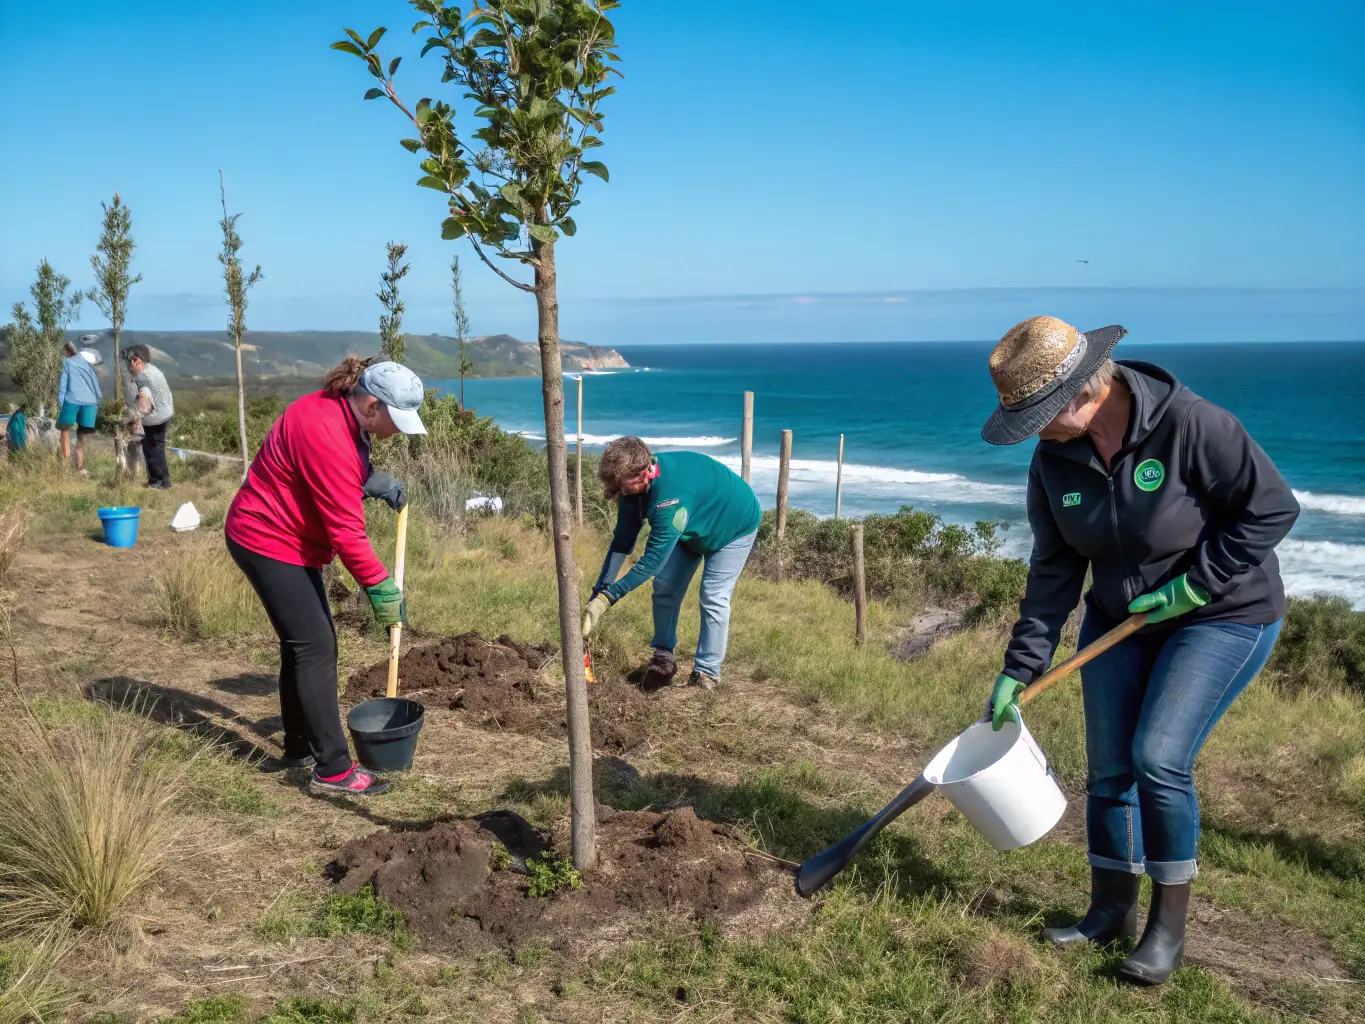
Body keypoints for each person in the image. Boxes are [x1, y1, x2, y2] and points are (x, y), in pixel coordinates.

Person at [981, 316, 1299, 985]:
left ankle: (1164, 933)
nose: (1030, 434)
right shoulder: (1054, 458)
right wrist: (1020, 665)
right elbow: (1055, 568)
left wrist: (1197, 585)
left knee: (1158, 759)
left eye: (1035, 416)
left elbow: (1271, 509)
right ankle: (1108, 913)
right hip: (1117, 620)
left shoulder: (1192, 423)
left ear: (1079, 397)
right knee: (1109, 769)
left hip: (1220, 617)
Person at [224, 357, 424, 796]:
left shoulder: (335, 410)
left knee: (302, 646)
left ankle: (298, 746)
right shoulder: (327, 432)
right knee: (315, 648)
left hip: (282, 539)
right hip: (267, 539)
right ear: (371, 406)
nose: (399, 431)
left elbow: (337, 471)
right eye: (397, 420)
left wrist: (370, 477)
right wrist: (380, 586)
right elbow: (347, 533)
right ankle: (333, 769)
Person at [581, 438, 761, 690]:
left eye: (622, 483)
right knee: (665, 585)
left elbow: (653, 560)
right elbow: (622, 542)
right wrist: (600, 589)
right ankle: (664, 657)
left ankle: (706, 673)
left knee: (714, 595)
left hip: (733, 526)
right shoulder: (631, 490)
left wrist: (608, 599)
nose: (617, 489)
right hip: (692, 524)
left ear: (644, 473)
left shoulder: (671, 499)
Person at [125, 345, 174, 489]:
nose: (128, 366)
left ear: (137, 361)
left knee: (152, 449)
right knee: (157, 448)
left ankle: (159, 481)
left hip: (155, 418)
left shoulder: (143, 378)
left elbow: (144, 403)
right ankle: (161, 480)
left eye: (129, 362)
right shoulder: (152, 369)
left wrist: (135, 416)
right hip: (164, 413)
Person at [56, 340, 103, 474]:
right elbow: (96, 388)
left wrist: (61, 401)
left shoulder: (68, 363)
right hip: (90, 404)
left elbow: (63, 385)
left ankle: (64, 467)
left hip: (72, 401)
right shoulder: (90, 368)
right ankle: (80, 469)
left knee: (65, 431)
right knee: (82, 438)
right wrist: (99, 403)